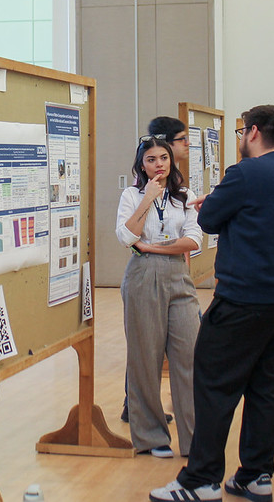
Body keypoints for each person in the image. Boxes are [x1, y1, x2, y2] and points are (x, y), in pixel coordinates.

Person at [150, 104, 274, 502]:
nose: (240, 137)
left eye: (242, 131)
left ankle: (200, 480)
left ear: (253, 132)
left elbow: (208, 222)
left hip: (242, 301)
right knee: (262, 387)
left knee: (213, 385)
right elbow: (261, 218)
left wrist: (216, 204)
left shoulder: (244, 173)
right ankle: (255, 474)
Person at [115, 136, 202, 458]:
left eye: (163, 157)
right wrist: (147, 199)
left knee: (189, 357)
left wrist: (152, 246)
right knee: (145, 358)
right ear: (142, 164)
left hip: (178, 275)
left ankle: (194, 439)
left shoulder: (185, 196)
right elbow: (126, 236)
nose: (159, 164)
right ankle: (151, 437)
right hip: (142, 276)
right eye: (151, 159)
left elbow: (193, 240)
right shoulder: (131, 194)